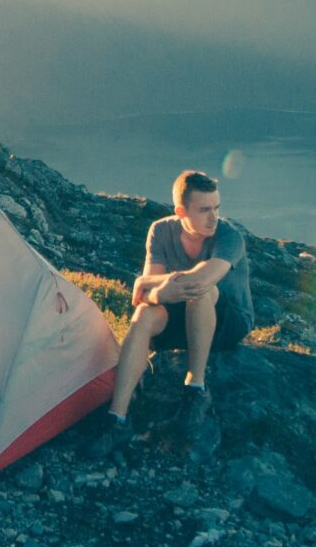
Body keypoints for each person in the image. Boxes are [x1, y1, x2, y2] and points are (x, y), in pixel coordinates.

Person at [97, 168, 250, 450]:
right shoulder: (161, 230)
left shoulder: (229, 237)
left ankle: (195, 389)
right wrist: (155, 290)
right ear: (181, 212)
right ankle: (116, 418)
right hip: (182, 315)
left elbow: (199, 280)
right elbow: (147, 294)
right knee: (144, 314)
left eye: (216, 208)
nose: (213, 217)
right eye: (204, 210)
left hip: (228, 323)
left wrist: (152, 286)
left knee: (200, 291)